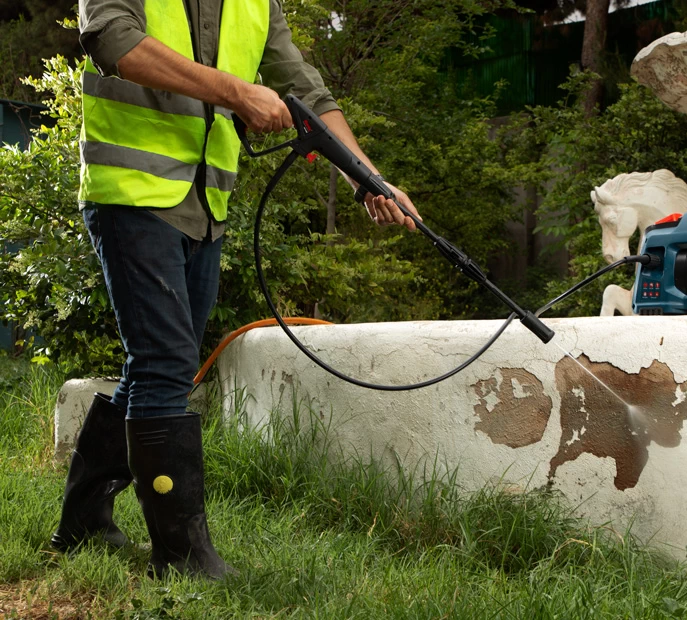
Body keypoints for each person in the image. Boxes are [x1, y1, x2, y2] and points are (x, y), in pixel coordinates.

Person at [52, 0, 420, 579]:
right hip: (130, 189)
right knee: (165, 366)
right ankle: (180, 558)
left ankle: (83, 518)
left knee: (157, 368)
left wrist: (366, 178)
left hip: (205, 202)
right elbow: (114, 41)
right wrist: (237, 93)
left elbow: (307, 90)